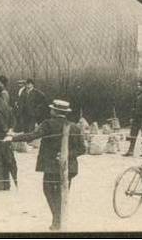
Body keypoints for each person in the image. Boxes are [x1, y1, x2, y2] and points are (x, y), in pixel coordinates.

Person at [7, 99, 86, 231]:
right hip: (70, 167)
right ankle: (59, 219)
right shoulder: (74, 127)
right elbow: (82, 149)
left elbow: (33, 136)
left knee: (49, 191)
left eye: (52, 109)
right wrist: (68, 155)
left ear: (54, 111)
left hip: (52, 167)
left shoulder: (48, 124)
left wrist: (13, 138)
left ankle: (57, 219)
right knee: (62, 193)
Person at [124, 79, 142, 157]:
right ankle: (130, 151)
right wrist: (132, 117)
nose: (138, 87)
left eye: (140, 85)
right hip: (136, 117)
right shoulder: (137, 94)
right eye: (138, 85)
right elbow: (133, 106)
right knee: (133, 133)